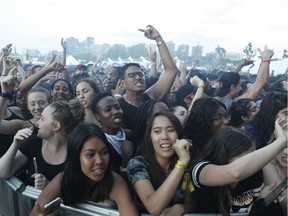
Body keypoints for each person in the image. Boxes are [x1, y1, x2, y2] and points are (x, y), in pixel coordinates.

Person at [30, 123, 139, 216]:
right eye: (90, 154)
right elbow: (37, 210)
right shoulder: (64, 179)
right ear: (76, 157)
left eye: (104, 152)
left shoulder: (116, 183)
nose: (99, 161)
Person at [191, 122, 287, 215]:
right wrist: (281, 141)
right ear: (225, 156)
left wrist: (261, 202)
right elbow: (234, 173)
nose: (254, 162)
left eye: (254, 155)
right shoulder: (201, 169)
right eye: (248, 158)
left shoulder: (255, 173)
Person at [0, 99, 85, 189]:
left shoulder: (78, 151)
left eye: (42, 119)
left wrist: (49, 187)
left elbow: (81, 191)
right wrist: (15, 145)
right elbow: (2, 172)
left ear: (56, 126)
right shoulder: (34, 141)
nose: (37, 122)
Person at [127, 111, 194, 215]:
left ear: (179, 135)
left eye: (171, 130)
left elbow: (192, 203)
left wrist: (181, 208)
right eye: (157, 131)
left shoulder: (186, 160)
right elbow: (153, 207)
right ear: (150, 137)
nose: (165, 137)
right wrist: (181, 163)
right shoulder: (137, 164)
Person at [118, 25, 178, 131]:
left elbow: (171, 71)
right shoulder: (118, 107)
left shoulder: (149, 97)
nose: (138, 77)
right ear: (123, 83)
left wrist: (158, 39)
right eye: (132, 75)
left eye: (140, 74)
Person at [215, 46, 274, 111]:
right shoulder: (233, 104)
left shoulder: (212, 99)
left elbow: (228, 78)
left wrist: (240, 65)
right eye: (239, 85)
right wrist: (266, 58)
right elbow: (261, 81)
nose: (241, 88)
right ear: (232, 87)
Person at [91, 92, 134, 178]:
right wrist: (126, 158)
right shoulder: (99, 144)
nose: (115, 112)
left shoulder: (129, 134)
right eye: (108, 110)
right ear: (97, 117)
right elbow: (111, 180)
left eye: (117, 107)